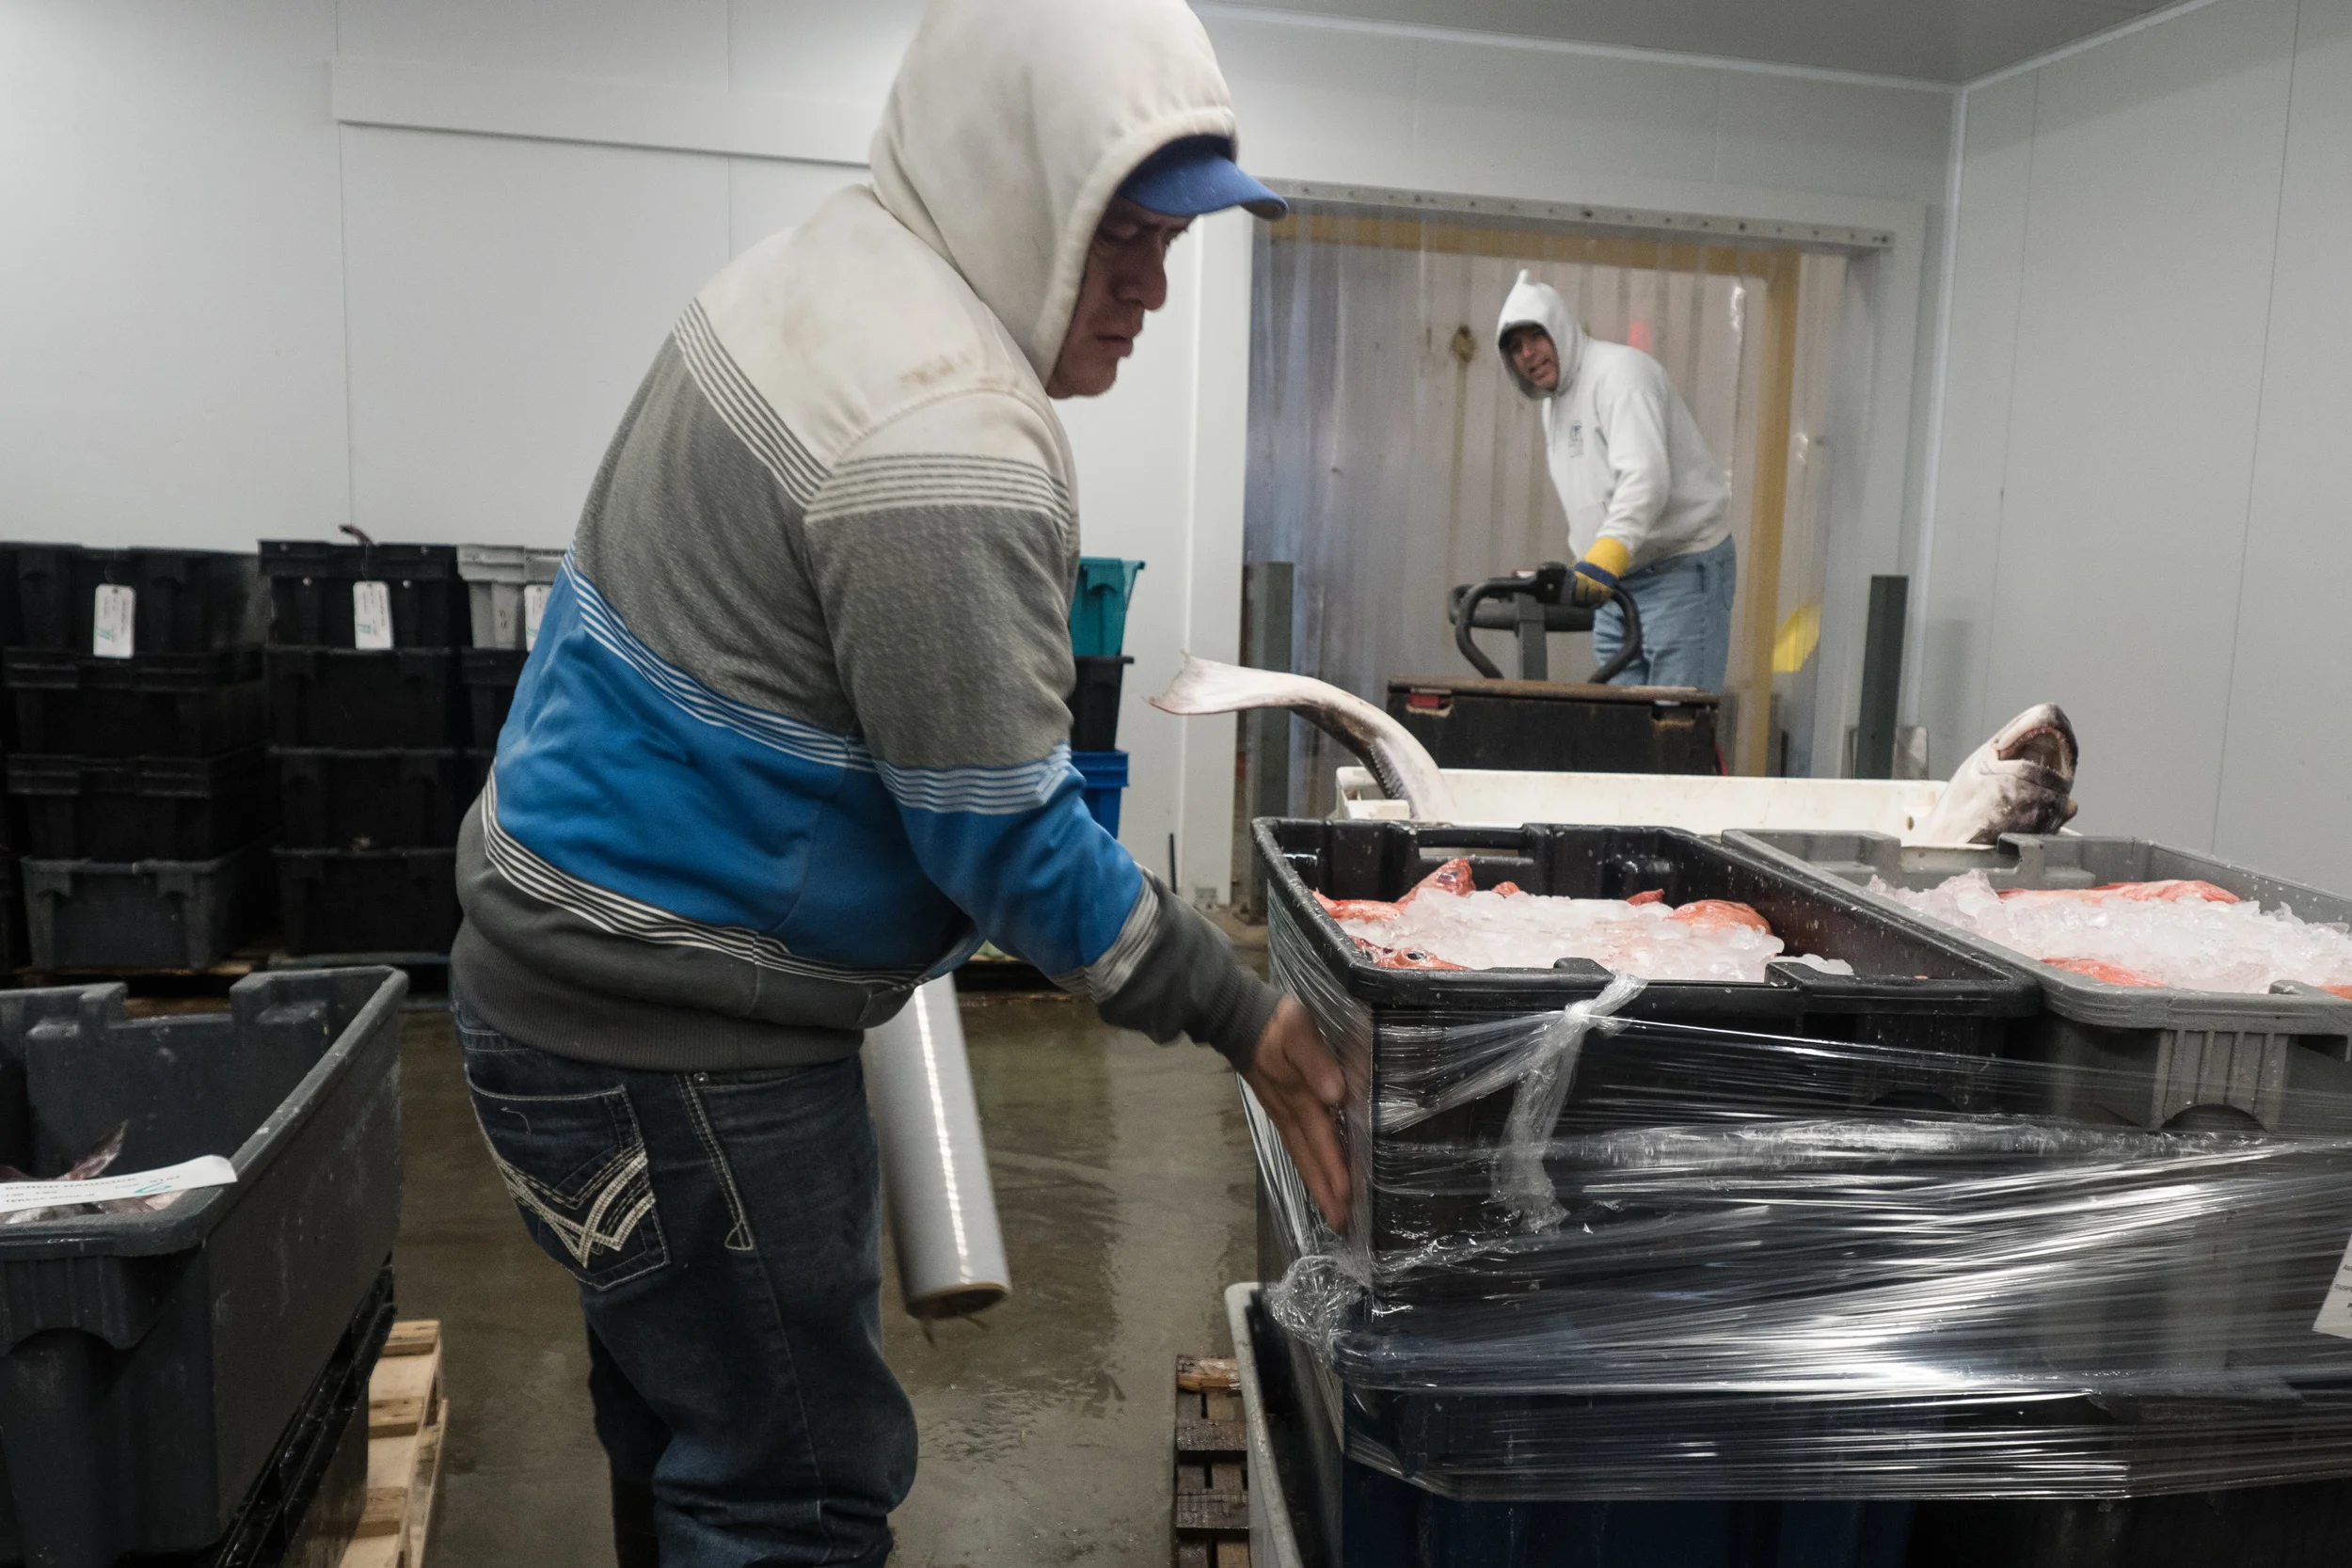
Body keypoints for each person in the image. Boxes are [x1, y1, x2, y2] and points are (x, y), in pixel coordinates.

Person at [444, 1, 1350, 1561]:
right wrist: (1247, 1013)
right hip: (679, 1044)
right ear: (1017, 193)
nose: (1150, 287)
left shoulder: (826, 270)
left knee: (693, 1429)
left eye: (1170, 243)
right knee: (789, 1482)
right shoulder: (939, 438)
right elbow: (1004, 838)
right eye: (1122, 235)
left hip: (564, 991)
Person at [1496, 270, 1738, 690]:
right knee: (1624, 731)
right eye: (1515, 348)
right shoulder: (1554, 406)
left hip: (1677, 569)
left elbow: (1646, 478)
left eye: (1535, 337)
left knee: (1677, 726)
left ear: (1561, 329)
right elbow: (1593, 495)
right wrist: (1581, 563)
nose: (1528, 354)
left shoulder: (1620, 375)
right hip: (1615, 583)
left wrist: (1606, 555)